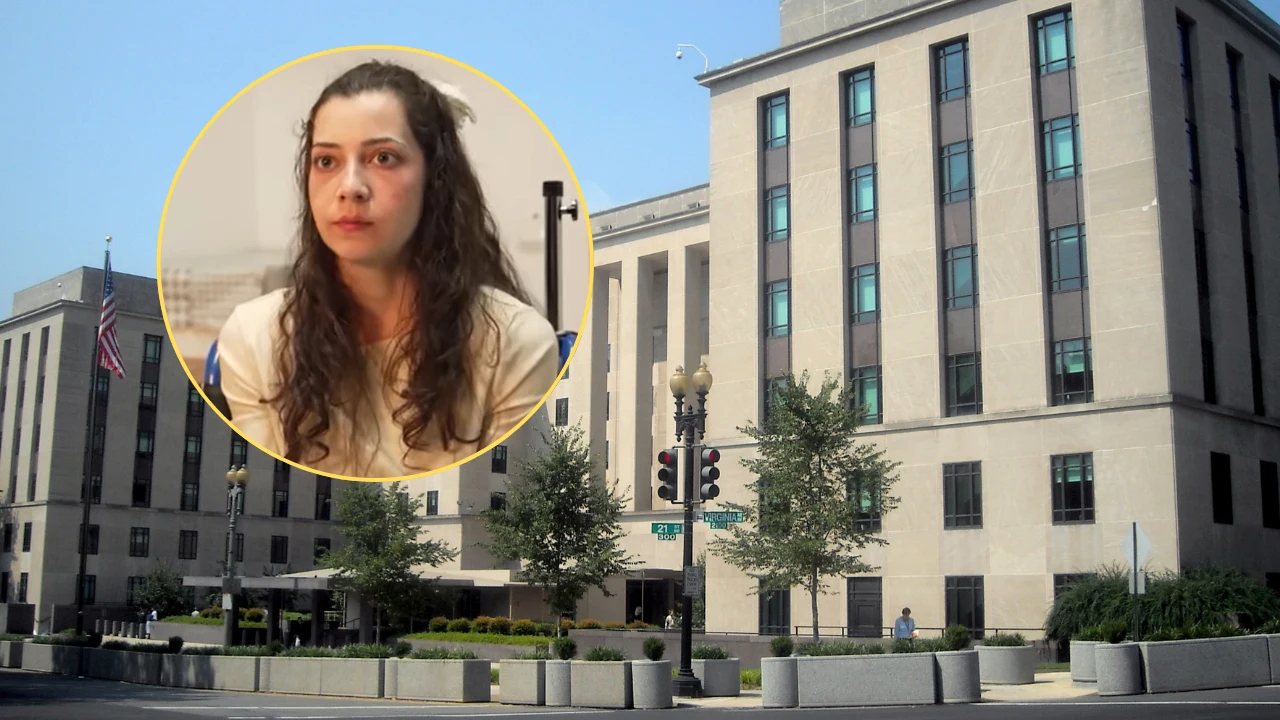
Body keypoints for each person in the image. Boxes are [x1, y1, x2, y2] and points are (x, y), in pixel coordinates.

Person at [216, 60, 560, 479]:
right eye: (326, 161)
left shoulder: (516, 342)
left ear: (435, 177)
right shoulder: (253, 338)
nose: (350, 187)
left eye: (383, 157)